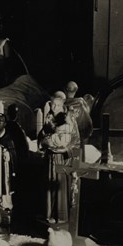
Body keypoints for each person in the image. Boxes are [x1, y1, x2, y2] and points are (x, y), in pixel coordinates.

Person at [39, 95, 81, 224]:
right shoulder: (49, 118)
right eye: (52, 105)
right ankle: (49, 214)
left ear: (63, 106)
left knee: (60, 185)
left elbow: (76, 139)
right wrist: (45, 142)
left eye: (57, 105)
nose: (54, 108)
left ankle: (61, 216)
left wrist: (65, 148)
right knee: (49, 185)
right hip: (51, 157)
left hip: (62, 158)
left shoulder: (69, 119)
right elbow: (42, 136)